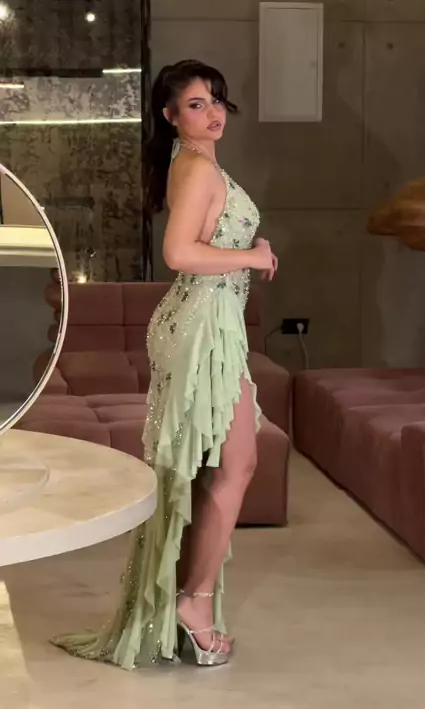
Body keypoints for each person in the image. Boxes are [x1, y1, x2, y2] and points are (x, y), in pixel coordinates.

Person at [53, 59, 277, 669]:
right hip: (202, 327)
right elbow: (179, 253)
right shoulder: (197, 167)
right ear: (171, 115)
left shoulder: (195, 163)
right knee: (230, 464)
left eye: (217, 101)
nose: (214, 113)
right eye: (197, 104)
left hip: (211, 325)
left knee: (216, 467)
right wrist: (252, 258)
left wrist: (249, 251)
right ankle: (192, 606)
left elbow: (203, 242)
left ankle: (182, 603)